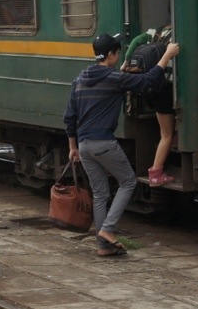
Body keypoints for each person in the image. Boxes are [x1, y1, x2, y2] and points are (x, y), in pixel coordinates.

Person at [63, 33, 180, 257]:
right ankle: (107, 229)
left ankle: (103, 246)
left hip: (84, 145)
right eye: (117, 53)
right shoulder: (114, 78)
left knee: (100, 193)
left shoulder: (80, 79)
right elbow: (147, 82)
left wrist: (72, 147)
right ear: (111, 55)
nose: (118, 56)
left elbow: (69, 117)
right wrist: (167, 55)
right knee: (128, 181)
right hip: (103, 142)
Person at [123, 26, 177, 187]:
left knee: (165, 133)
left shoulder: (156, 32)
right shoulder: (177, 34)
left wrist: (126, 62)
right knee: (166, 135)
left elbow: (135, 41)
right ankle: (155, 173)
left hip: (153, 89)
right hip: (166, 88)